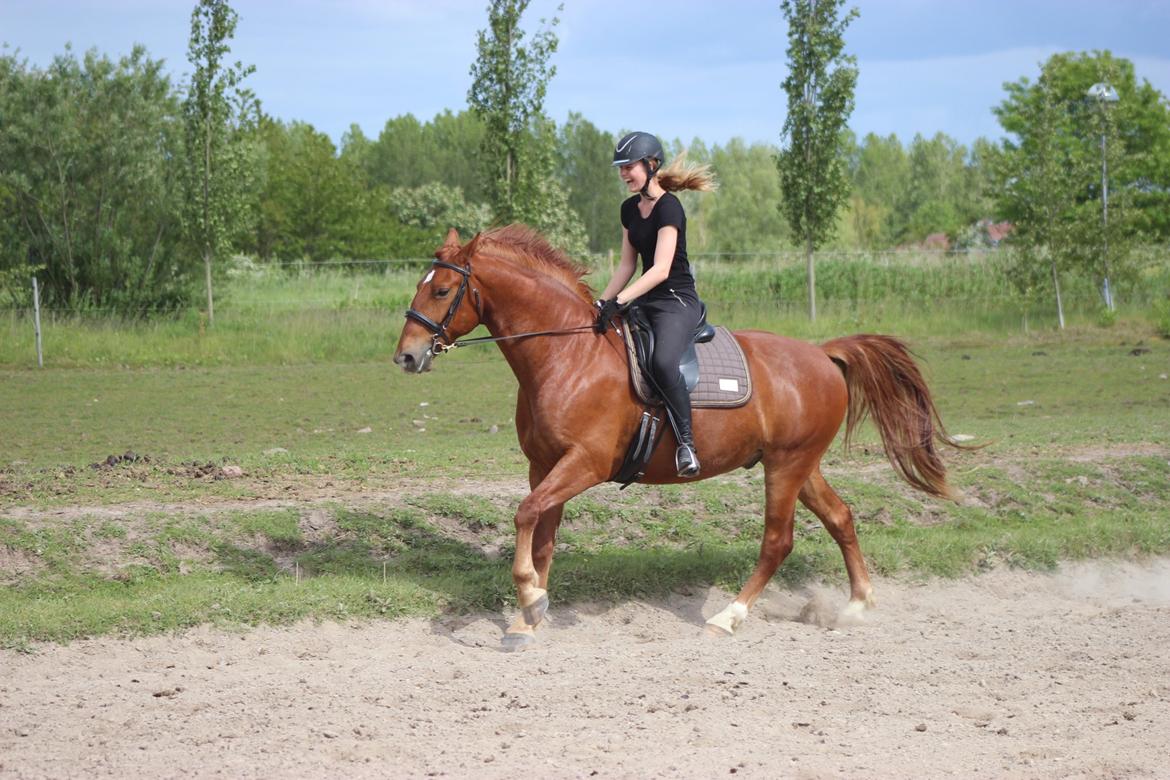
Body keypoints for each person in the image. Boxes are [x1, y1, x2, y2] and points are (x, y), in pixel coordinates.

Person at [595, 131, 717, 478]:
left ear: (651, 165)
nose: (623, 174)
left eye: (629, 166)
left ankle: (686, 445)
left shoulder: (669, 207)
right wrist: (602, 303)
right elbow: (626, 266)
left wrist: (620, 300)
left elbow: (661, 269)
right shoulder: (628, 209)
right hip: (646, 298)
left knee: (664, 362)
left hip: (677, 300)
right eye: (620, 168)